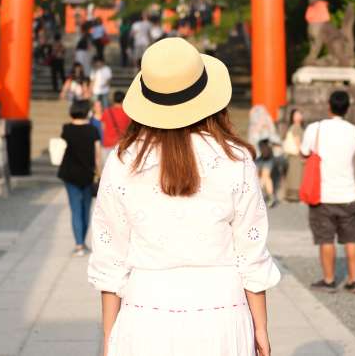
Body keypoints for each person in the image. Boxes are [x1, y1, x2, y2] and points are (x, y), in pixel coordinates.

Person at [88, 37, 280, 356]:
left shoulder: (123, 161)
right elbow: (251, 253)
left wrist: (109, 337)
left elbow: (111, 259)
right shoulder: (236, 159)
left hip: (146, 312)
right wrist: (260, 327)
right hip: (222, 313)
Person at [300, 90, 355, 294]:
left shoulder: (315, 128)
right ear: (347, 108)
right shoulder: (354, 131)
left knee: (326, 239)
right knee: (351, 238)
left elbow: (304, 153)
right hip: (348, 194)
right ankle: (353, 280)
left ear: (329, 106)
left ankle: (329, 280)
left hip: (323, 195)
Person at [58, 100, 101, 256]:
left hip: (69, 173)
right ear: (87, 112)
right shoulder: (93, 130)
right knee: (85, 209)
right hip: (88, 174)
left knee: (75, 209)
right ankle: (82, 243)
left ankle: (79, 245)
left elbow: (62, 147)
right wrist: (99, 172)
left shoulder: (67, 129)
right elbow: (97, 155)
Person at [101, 91, 130, 164]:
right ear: (123, 99)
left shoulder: (106, 112)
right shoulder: (127, 113)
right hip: (121, 145)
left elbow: (103, 128)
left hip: (107, 144)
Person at [283, 109, 305, 202]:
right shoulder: (296, 127)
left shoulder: (295, 127)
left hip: (293, 156)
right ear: (293, 117)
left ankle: (292, 195)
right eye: (296, 115)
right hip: (296, 155)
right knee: (297, 175)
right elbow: (298, 142)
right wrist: (302, 154)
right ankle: (296, 196)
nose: (299, 115)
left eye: (299, 113)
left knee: (293, 175)